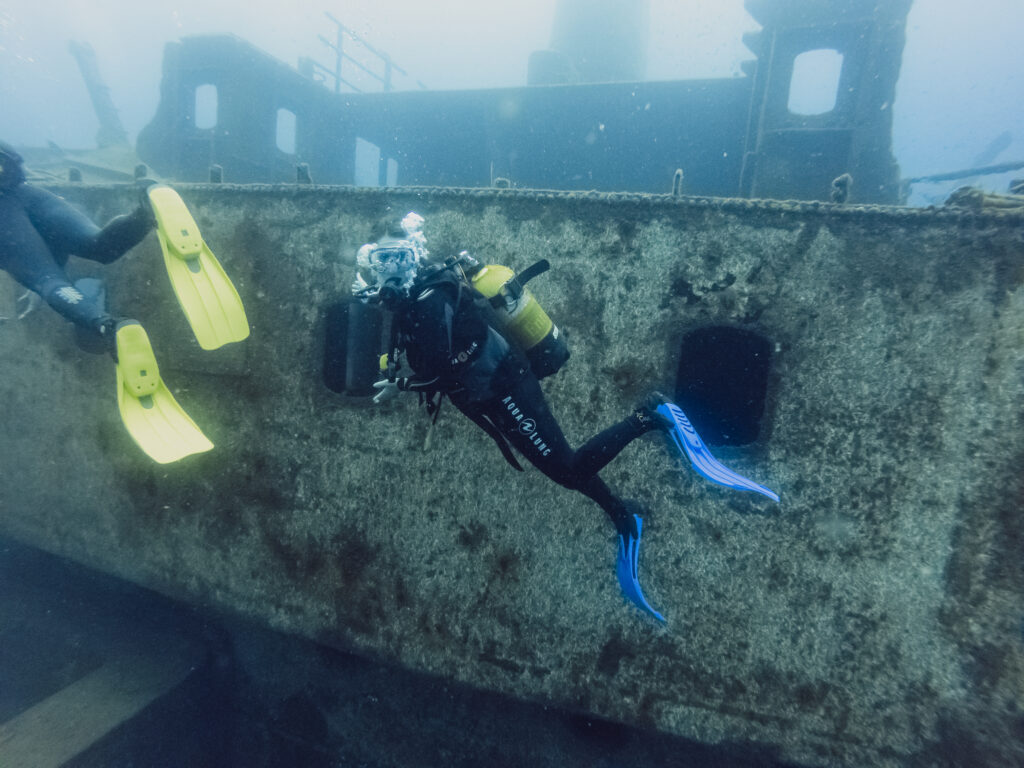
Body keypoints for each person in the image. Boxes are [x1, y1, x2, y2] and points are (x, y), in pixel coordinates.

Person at [352, 213, 691, 621]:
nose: (391, 269)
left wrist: (400, 386)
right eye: (382, 260)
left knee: (566, 468)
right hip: (491, 392)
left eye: (398, 258)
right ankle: (623, 514)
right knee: (558, 464)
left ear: (414, 256)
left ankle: (649, 416)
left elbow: (440, 371)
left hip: (505, 387)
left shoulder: (431, 298)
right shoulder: (413, 297)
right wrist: (378, 298)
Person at [0, 141, 154, 347]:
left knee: (48, 280)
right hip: (25, 191)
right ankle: (144, 216)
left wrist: (35, 281)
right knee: (98, 245)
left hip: (5, 210)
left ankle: (107, 326)